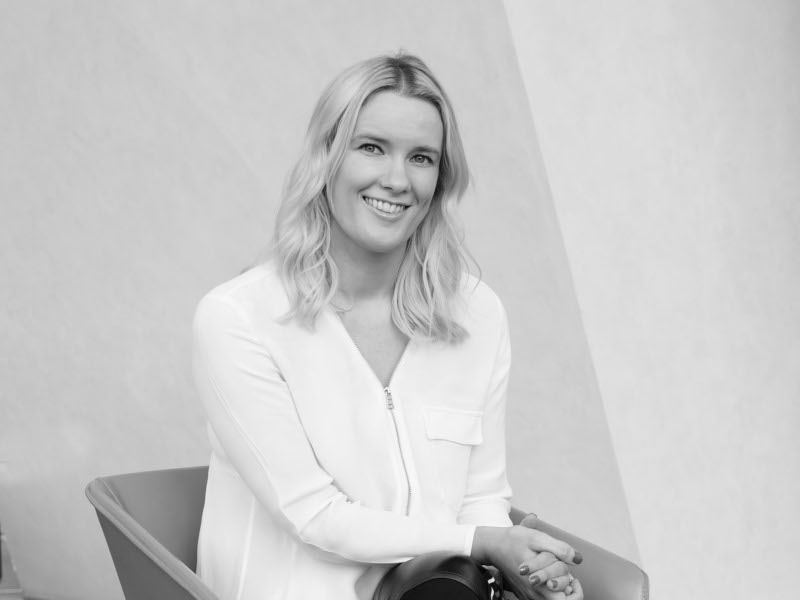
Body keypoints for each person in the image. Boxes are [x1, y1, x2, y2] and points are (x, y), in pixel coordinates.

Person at [192, 52, 584, 600]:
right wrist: (484, 544)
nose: (397, 180)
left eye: (421, 157)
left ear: (440, 179)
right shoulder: (239, 319)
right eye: (371, 147)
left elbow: (482, 497)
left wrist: (523, 567)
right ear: (327, 156)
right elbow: (314, 518)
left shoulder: (476, 314)